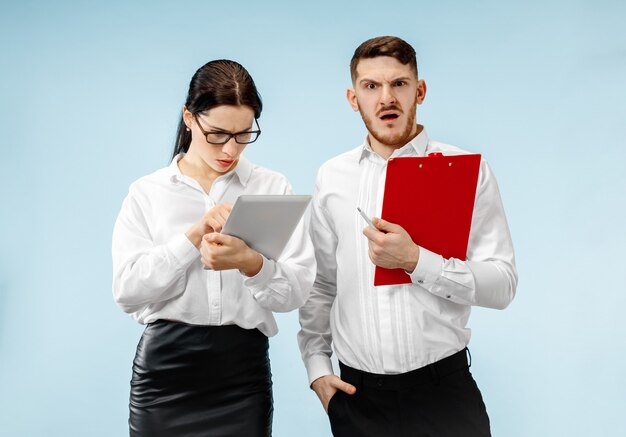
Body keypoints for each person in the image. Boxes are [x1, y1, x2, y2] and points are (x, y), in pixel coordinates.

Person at [298, 36, 518, 437]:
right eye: (371, 86)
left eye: (399, 84)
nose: (386, 98)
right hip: (358, 400)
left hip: (444, 397)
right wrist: (317, 370)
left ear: (420, 91)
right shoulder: (331, 177)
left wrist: (417, 261)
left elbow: (502, 285)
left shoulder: (467, 171)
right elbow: (321, 285)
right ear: (353, 98)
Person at [112, 59, 315, 437]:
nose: (231, 149)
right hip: (165, 376)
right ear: (189, 118)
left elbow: (296, 292)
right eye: (217, 134)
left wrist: (252, 263)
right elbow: (128, 291)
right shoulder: (148, 193)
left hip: (242, 377)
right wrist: (193, 237)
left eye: (243, 134)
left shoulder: (271, 188)